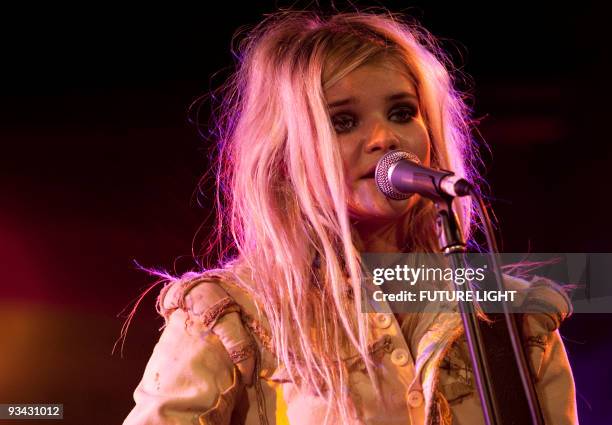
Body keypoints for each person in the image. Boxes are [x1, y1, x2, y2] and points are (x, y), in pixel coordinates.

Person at [123, 9, 578, 425]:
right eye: (343, 121)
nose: (384, 137)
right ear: (284, 155)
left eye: (402, 112)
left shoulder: (512, 319)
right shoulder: (235, 317)